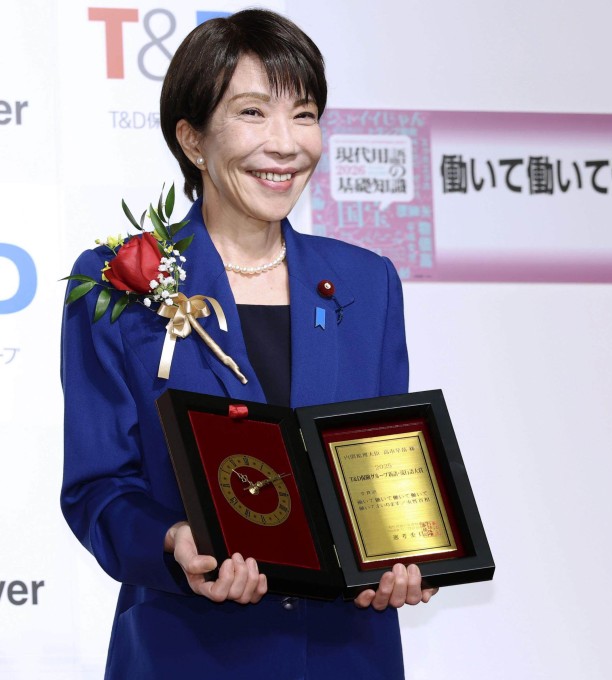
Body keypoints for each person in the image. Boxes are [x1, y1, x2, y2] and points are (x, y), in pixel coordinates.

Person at [60, 10, 433, 678]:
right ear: (193, 138)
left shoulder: (365, 281)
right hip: (190, 651)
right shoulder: (122, 278)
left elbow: (381, 464)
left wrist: (404, 556)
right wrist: (174, 542)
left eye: (305, 114)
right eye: (254, 113)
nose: (286, 144)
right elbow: (98, 487)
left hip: (346, 653)